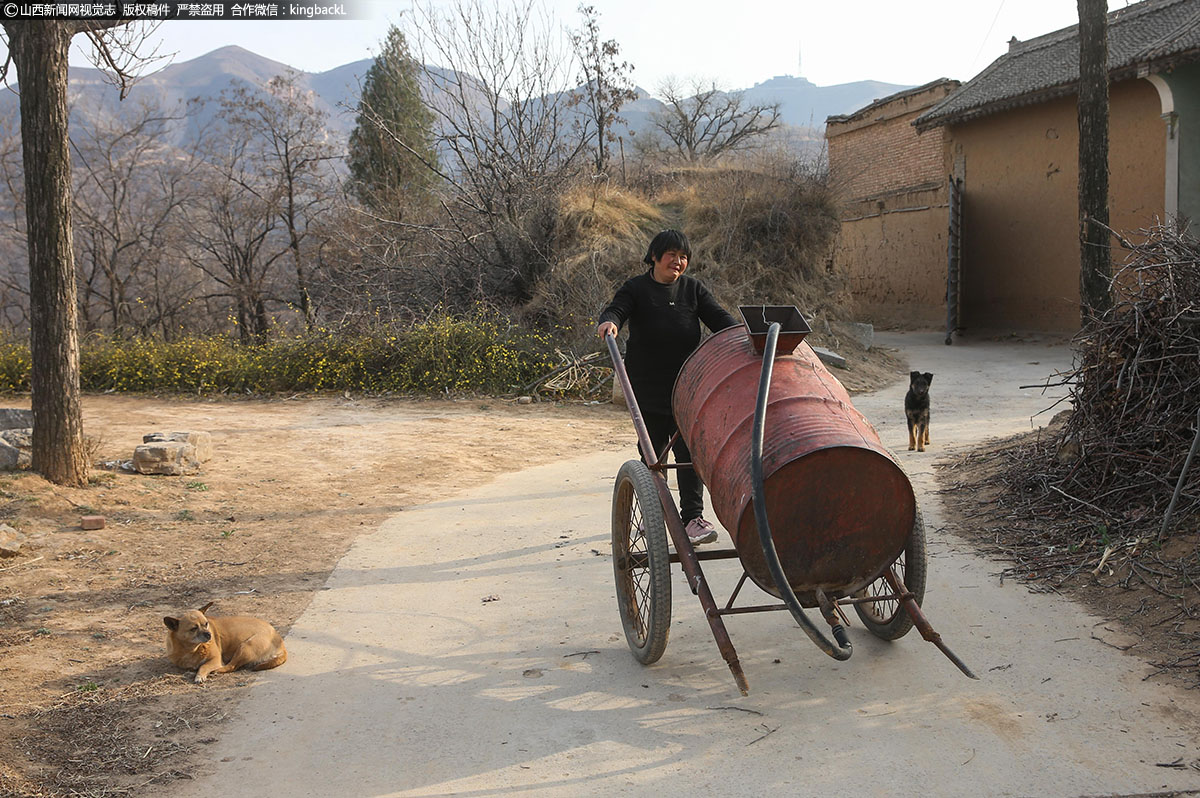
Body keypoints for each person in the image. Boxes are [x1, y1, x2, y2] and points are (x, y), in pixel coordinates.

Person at [597, 229, 737, 545]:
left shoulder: (693, 290)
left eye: (683, 256)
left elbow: (718, 318)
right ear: (655, 257)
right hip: (646, 387)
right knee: (654, 450)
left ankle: (692, 519)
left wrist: (743, 335)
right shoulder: (636, 288)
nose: (678, 261)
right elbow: (617, 309)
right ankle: (655, 513)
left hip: (687, 386)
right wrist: (610, 322)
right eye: (672, 255)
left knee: (688, 451)